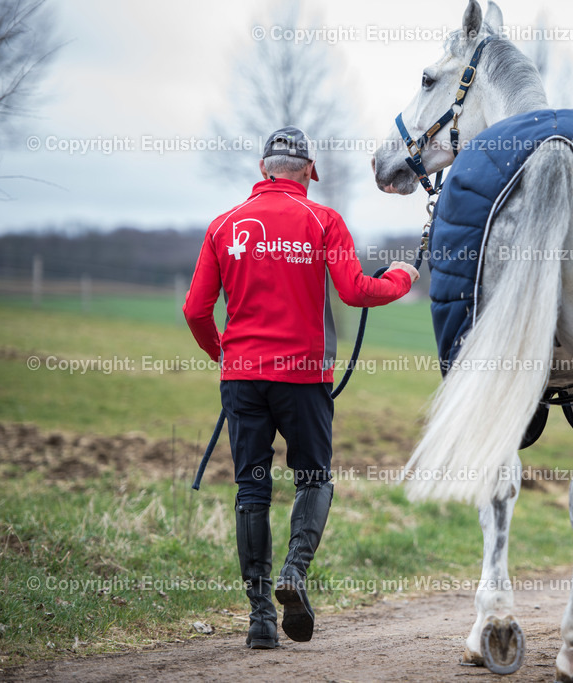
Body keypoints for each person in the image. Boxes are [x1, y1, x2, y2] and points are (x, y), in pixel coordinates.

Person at [183, 126, 419, 649]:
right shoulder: (324, 220)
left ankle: (260, 620)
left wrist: (222, 353)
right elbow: (356, 291)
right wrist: (402, 276)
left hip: (241, 379)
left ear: (262, 170)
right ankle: (294, 569)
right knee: (313, 478)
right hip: (303, 378)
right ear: (310, 172)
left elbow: (195, 310)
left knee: (251, 490)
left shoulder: (224, 225)